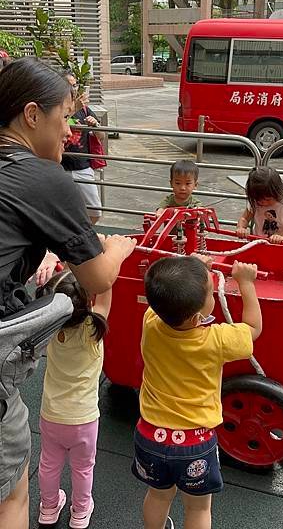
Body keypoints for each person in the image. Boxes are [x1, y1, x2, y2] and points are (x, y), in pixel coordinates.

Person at [0, 57, 136, 529]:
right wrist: (117, 248)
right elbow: (98, 279)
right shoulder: (42, 177)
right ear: (32, 115)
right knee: (13, 492)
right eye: (65, 117)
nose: (71, 133)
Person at [132, 255, 262, 529]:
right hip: (195, 443)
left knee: (157, 495)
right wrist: (246, 283)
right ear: (198, 317)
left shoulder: (151, 321)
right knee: (199, 508)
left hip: (150, 435)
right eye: (210, 291)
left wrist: (194, 266)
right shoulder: (216, 339)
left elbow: (166, 294)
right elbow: (253, 329)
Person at [36, 271, 111, 528]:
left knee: (48, 463)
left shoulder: (49, 331)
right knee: (83, 468)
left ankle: (48, 507)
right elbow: (105, 283)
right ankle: (80, 512)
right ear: (87, 303)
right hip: (84, 420)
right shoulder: (93, 330)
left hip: (52, 415)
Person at [61, 71, 104, 225]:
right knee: (63, 210)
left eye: (75, 85)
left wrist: (95, 125)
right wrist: (72, 109)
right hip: (61, 168)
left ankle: (83, 236)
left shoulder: (84, 109)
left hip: (82, 166)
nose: (73, 89)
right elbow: (54, 125)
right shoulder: (57, 109)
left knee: (95, 211)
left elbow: (101, 136)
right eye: (69, 86)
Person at [236, 166, 283, 244]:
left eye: (268, 199)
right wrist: (241, 228)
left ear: (277, 191)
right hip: (259, 242)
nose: (263, 203)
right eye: (259, 200)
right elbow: (244, 218)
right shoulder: (255, 200)